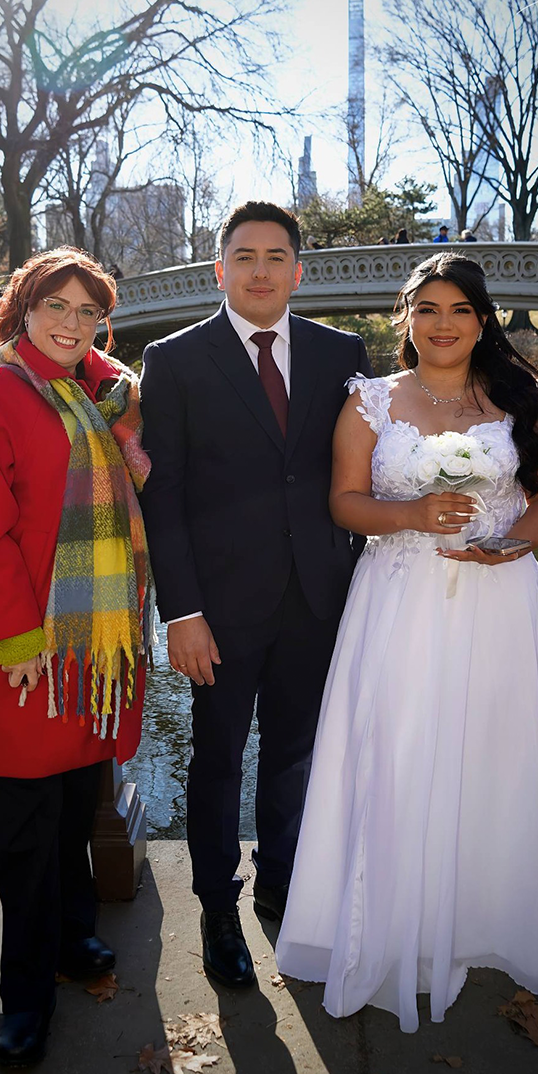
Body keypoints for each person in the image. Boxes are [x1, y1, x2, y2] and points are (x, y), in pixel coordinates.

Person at [275, 251, 538, 1032]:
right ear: (405, 318)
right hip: (401, 599)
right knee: (398, 748)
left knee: (492, 750)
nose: (443, 324)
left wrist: (511, 543)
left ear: (482, 320)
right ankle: (390, 923)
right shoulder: (370, 402)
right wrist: (410, 514)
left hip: (497, 599)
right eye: (428, 309)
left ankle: (482, 921)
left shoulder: (520, 397)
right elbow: (345, 501)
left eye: (460, 310)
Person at [139, 201, 372, 989]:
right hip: (219, 610)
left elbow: (359, 472)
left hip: (317, 597)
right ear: (220, 269)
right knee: (216, 761)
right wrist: (182, 612)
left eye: (276, 256)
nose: (262, 270)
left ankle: (282, 881)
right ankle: (216, 907)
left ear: (298, 270)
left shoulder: (344, 352)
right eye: (245, 256)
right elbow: (162, 498)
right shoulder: (173, 360)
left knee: (296, 756)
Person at [0, 246, 153, 1067]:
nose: (70, 323)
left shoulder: (107, 397)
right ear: (21, 313)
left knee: (68, 808)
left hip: (86, 648)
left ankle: (70, 940)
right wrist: (18, 641)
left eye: (85, 310)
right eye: (53, 307)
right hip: (21, 653)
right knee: (18, 833)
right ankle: (18, 993)